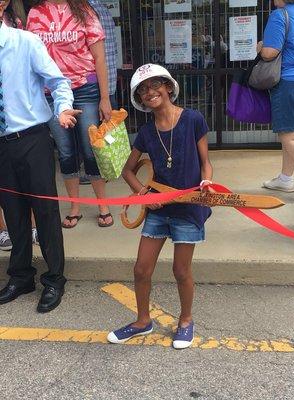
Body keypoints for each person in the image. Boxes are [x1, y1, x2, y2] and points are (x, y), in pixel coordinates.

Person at [107, 64, 213, 349]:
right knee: (141, 270)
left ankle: (186, 320)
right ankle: (142, 322)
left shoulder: (193, 120)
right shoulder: (145, 132)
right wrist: (143, 193)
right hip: (157, 210)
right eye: (143, 90)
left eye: (154, 85)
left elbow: (206, 162)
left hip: (188, 209)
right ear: (140, 99)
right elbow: (128, 170)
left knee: (181, 271)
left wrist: (206, 183)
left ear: (168, 87)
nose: (149, 92)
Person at [0, 3, 81, 312]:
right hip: (1, 146)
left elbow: (58, 82)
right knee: (13, 212)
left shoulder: (26, 43)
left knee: (45, 212)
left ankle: (54, 279)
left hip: (31, 139)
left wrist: (62, 108)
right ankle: (20, 276)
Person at [27, 0, 113, 228]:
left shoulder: (84, 10)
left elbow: (100, 58)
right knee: (65, 151)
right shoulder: (35, 13)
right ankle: (75, 206)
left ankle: (102, 204)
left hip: (85, 89)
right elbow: (31, 59)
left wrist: (105, 98)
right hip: (51, 93)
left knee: (91, 149)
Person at [0, 0, 39, 251]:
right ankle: (4, 229)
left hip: (17, 124)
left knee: (29, 184)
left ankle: (32, 226)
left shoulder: (19, 27)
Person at [259, 0, 294, 201]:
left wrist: (260, 47)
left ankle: (286, 179)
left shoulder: (280, 15)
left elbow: (269, 53)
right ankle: (286, 178)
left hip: (290, 81)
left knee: (290, 137)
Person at [80, 0, 118, 186]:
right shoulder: (102, 8)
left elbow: (96, 55)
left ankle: (102, 170)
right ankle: (110, 166)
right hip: (108, 80)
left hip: (97, 84)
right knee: (107, 129)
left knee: (96, 133)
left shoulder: (88, 10)